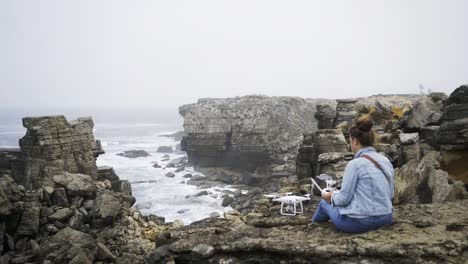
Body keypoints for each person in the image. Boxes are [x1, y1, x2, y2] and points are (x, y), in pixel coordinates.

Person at [311, 118, 394, 233]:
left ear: (355, 141)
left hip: (360, 223)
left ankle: (313, 230)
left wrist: (330, 196)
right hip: (386, 218)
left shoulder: (354, 164)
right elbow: (390, 194)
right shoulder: (385, 161)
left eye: (350, 141)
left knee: (324, 203)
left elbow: (343, 200)